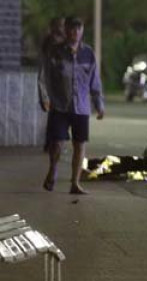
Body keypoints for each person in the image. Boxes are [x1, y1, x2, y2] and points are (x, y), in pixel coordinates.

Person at [39, 16, 104, 195]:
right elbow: (44, 77)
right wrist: (45, 98)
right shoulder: (55, 52)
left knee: (80, 144)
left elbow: (94, 81)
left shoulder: (88, 54)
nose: (75, 33)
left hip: (81, 107)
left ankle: (75, 183)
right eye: (72, 29)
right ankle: (53, 169)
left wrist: (99, 104)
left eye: (78, 29)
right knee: (57, 143)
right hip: (60, 106)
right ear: (66, 30)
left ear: (82, 31)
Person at [38, 17, 65, 153]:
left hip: (60, 89)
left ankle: (53, 143)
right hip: (52, 88)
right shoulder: (50, 43)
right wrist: (44, 96)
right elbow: (44, 73)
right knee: (55, 117)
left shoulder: (63, 41)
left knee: (57, 117)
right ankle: (52, 143)